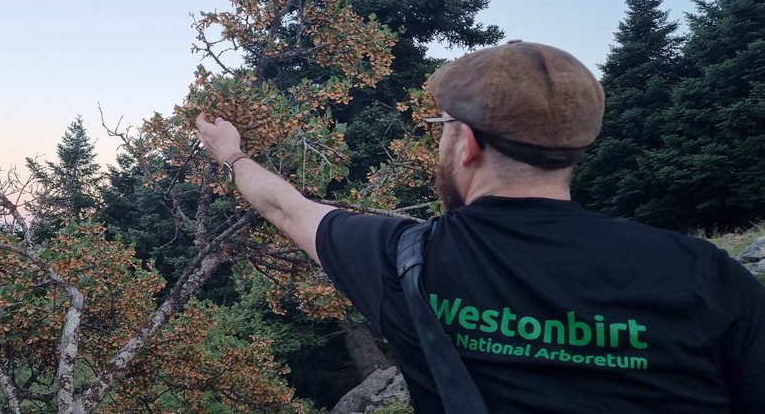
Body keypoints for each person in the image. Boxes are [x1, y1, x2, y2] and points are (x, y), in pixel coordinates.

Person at [193, 40, 765, 413]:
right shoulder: (702, 272)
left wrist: (233, 154)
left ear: (466, 143)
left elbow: (285, 207)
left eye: (442, 126)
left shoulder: (402, 259)